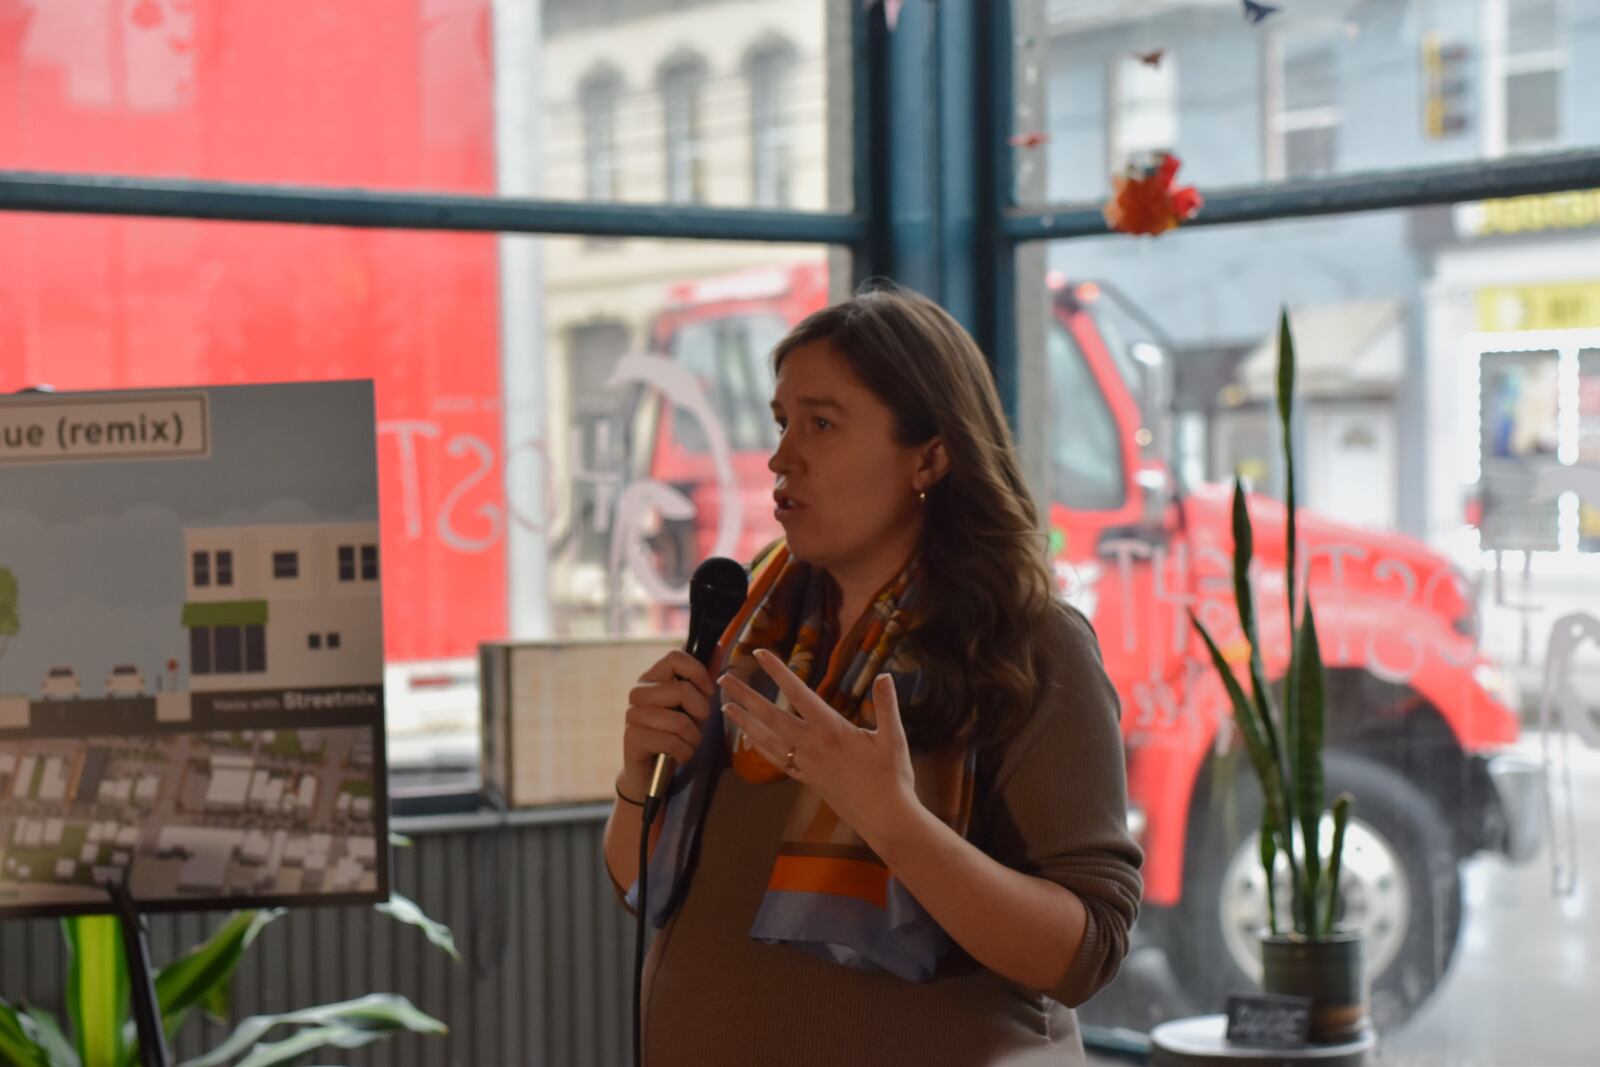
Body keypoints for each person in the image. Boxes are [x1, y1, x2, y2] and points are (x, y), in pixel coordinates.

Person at [604, 283, 1143, 1065]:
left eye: (822, 422)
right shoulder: (748, 627)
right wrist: (636, 776)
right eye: (782, 421)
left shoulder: (1030, 644)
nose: (782, 455)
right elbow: (642, 882)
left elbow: (1087, 951)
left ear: (929, 454)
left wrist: (892, 820)